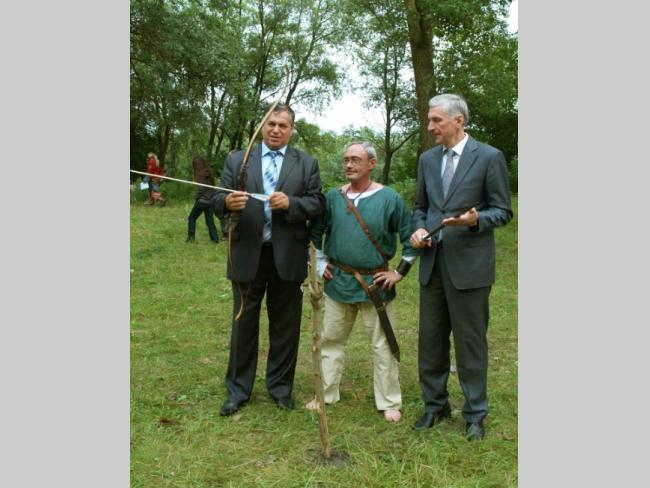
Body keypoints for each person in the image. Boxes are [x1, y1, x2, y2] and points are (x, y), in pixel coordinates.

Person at [409, 94, 512, 440]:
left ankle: (475, 414)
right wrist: (418, 229)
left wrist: (475, 220)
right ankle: (435, 406)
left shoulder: (489, 157)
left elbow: (503, 211)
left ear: (459, 121)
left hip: (470, 268)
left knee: (470, 343)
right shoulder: (427, 160)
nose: (430, 127)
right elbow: (421, 207)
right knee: (431, 342)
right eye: (429, 120)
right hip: (432, 264)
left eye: (436, 120)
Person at [212, 104, 325, 416]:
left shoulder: (306, 163)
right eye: (271, 124)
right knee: (243, 325)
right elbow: (214, 198)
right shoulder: (239, 159)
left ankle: (280, 389)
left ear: (291, 129)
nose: (276, 130)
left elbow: (317, 204)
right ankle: (238, 391)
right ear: (262, 126)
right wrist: (227, 202)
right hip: (246, 254)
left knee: (285, 327)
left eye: (283, 125)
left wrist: (292, 203)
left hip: (287, 256)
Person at [306, 141, 418, 422]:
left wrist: (399, 272)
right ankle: (325, 394)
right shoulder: (332, 198)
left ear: (372, 163)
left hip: (376, 285)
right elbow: (314, 233)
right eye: (346, 159)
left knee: (383, 344)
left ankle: (389, 401)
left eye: (355, 159)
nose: (349, 164)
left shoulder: (390, 199)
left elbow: (411, 238)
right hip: (338, 281)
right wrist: (319, 264)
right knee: (330, 340)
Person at [186, 156, 220, 243]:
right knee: (210, 222)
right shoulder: (209, 172)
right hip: (210, 201)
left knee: (192, 218)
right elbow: (213, 188)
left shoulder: (199, 174)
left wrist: (196, 197)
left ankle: (191, 239)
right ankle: (215, 239)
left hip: (202, 201)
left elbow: (202, 189)